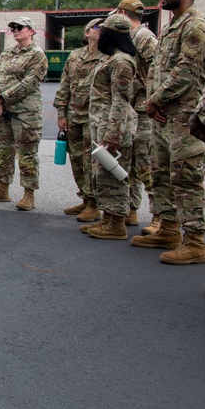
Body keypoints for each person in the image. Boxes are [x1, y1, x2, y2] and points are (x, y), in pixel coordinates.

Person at [132, 0, 205, 262]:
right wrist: (154, 103)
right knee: (162, 174)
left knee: (186, 178)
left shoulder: (196, 26)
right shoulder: (174, 26)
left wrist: (154, 100)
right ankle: (170, 229)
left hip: (182, 119)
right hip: (162, 116)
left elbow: (186, 72)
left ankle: (197, 242)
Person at [81, 13, 139, 240]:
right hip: (102, 124)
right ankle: (108, 219)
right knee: (103, 174)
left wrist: (114, 135)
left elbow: (121, 101)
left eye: (103, 30)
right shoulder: (110, 58)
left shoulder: (121, 61)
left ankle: (116, 224)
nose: (100, 34)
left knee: (114, 174)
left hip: (113, 127)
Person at [0, 16, 48, 210]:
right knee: (1, 151)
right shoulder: (6, 54)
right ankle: (2, 189)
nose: (16, 30)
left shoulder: (37, 55)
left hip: (25, 113)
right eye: (13, 28)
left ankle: (28, 194)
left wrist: (2, 97)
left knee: (27, 154)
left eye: (20, 27)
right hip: (2, 111)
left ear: (32, 31)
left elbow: (29, 83)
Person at [53, 19, 104, 222]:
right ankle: (84, 197)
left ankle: (94, 204)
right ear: (87, 32)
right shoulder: (75, 56)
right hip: (74, 116)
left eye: (104, 28)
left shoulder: (108, 57)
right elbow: (65, 86)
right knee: (76, 159)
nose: (100, 30)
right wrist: (61, 114)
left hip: (95, 117)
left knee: (91, 161)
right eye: (97, 27)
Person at [115, 0, 159, 228]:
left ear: (123, 12)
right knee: (129, 163)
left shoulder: (143, 37)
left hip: (144, 110)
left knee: (146, 163)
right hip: (131, 108)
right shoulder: (130, 37)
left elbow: (158, 69)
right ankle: (131, 209)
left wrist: (154, 100)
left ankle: (160, 218)